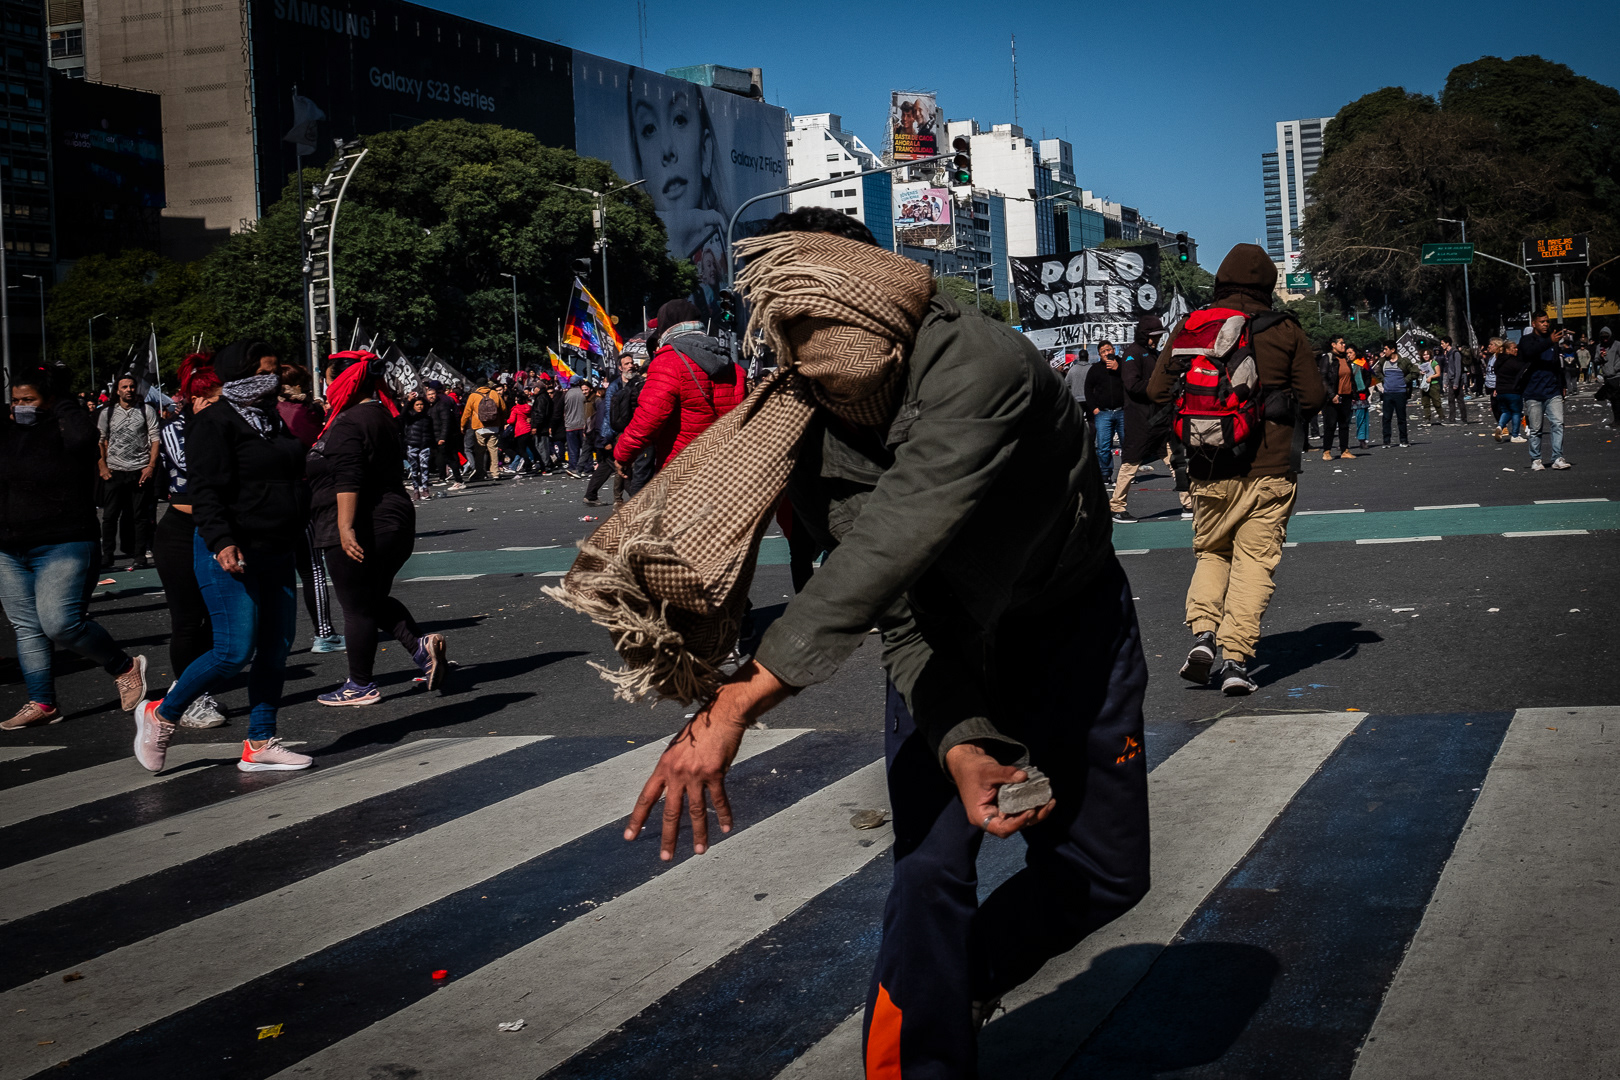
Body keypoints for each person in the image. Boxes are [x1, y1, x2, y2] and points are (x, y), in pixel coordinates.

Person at [558, 208, 1147, 1078]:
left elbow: (896, 538)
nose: (820, 349)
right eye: (793, 329)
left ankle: (962, 978)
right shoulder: (807, 424)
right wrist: (960, 739)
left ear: (883, 294)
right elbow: (901, 607)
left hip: (1071, 626)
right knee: (927, 879)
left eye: (829, 313)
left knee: (1106, 874)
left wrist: (738, 703)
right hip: (943, 645)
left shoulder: (982, 363)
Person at [1147, 244, 1324, 695]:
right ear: (1267, 286)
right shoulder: (1286, 330)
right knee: (1254, 564)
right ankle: (1235, 660)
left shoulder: (1193, 326)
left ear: (1220, 281)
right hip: (1270, 468)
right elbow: (1314, 398)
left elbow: (1155, 390)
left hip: (1207, 465)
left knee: (1212, 552)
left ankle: (1204, 633)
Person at [132, 340, 312, 774]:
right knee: (233, 651)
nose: (273, 382)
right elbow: (206, 490)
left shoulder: (271, 421)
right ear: (240, 375)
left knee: (275, 647)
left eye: (276, 374)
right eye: (264, 373)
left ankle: (260, 740)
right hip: (230, 549)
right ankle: (161, 713)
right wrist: (221, 541)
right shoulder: (213, 421)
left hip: (276, 548)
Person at [2, 367, 150, 730]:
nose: (21, 407)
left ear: (49, 401)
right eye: (15, 400)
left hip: (63, 542)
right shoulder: (6, 432)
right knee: (27, 628)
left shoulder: (67, 427)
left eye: (29, 400)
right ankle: (42, 702)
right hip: (9, 547)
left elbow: (86, 441)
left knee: (61, 624)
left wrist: (65, 402)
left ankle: (124, 666)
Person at [308, 353, 448, 706]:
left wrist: (345, 526)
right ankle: (421, 648)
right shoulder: (380, 415)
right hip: (395, 518)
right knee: (371, 601)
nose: (326, 387)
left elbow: (349, 478)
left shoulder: (349, 422)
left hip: (366, 522)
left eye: (329, 380)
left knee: (357, 607)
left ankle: (360, 684)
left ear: (345, 382)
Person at [152, 355, 228, 728]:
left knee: (217, 621)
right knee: (186, 619)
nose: (218, 406)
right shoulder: (176, 429)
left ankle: (201, 685)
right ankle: (188, 697)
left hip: (219, 531)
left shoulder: (228, 425)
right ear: (193, 399)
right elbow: (197, 465)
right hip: (180, 532)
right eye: (210, 399)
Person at [613, 298, 746, 485]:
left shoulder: (668, 362)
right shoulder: (732, 367)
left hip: (684, 468)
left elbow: (648, 418)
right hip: (728, 470)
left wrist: (623, 453)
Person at [276, 363, 342, 653]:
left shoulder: (265, 414)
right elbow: (323, 449)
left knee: (275, 572)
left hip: (268, 501)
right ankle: (324, 633)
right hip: (301, 496)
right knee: (313, 567)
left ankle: (273, 638)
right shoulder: (304, 415)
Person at [1112, 320, 1178, 523]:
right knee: (1131, 463)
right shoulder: (1133, 354)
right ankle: (1116, 506)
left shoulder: (1153, 354)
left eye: (1159, 335)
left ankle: (1190, 503)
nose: (1157, 339)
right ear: (1144, 335)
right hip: (1139, 419)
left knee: (1175, 461)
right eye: (1154, 335)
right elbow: (1132, 385)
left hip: (1158, 419)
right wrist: (1156, 386)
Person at [97, 374, 162, 571]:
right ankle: (107, 555)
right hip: (115, 471)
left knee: (140, 516)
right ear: (117, 391)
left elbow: (155, 439)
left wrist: (150, 466)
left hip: (139, 470)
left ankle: (139, 554)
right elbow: (101, 439)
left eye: (132, 386)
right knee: (109, 516)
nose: (129, 390)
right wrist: (103, 465)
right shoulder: (107, 413)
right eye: (124, 387)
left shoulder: (146, 411)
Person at [1518, 312, 1571, 471]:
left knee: (1558, 424)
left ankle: (1557, 457)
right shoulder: (1527, 340)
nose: (1546, 324)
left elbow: (1557, 365)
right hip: (1533, 392)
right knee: (1535, 428)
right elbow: (1528, 353)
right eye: (1542, 322)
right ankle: (1536, 459)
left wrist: (1562, 386)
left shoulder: (1553, 340)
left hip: (1552, 390)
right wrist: (1549, 341)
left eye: (1547, 321)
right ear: (1534, 323)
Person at [585, 352, 637, 507]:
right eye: (626, 364)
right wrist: (605, 439)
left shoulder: (634, 384)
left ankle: (591, 495)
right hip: (613, 436)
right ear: (620, 368)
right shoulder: (615, 388)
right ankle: (633, 495)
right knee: (621, 466)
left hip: (627, 433)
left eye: (631, 363)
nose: (630, 366)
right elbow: (607, 415)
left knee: (607, 466)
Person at [1084, 341, 1125, 489]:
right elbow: (1087, 388)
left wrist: (1118, 369)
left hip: (1122, 411)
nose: (1107, 353)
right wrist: (1094, 408)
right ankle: (1106, 474)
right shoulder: (1095, 369)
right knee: (1103, 446)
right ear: (1099, 355)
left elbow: (1132, 380)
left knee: (1127, 444)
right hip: (1103, 412)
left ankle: (1126, 476)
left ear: (1114, 350)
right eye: (1103, 351)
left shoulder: (1124, 364)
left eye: (1109, 350)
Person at [460, 378, 507, 481]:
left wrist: (463, 425)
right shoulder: (494, 393)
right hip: (494, 426)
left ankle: (481, 473)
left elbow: (467, 412)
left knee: (479, 451)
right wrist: (502, 421)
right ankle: (495, 473)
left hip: (479, 427)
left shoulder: (473, 396)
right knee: (493, 450)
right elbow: (503, 408)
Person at [1317, 334, 1355, 460]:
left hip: (1346, 395)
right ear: (1333, 345)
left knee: (1344, 424)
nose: (1344, 345)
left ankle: (1345, 450)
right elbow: (1323, 378)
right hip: (1332, 397)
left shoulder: (1345, 359)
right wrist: (1332, 395)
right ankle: (1326, 451)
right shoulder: (1328, 358)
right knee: (1331, 424)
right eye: (1341, 343)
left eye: (1344, 343)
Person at [1379, 344, 1418, 447]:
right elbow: (1377, 372)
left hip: (1400, 393)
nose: (1384, 351)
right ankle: (1386, 441)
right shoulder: (1383, 361)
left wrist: (1405, 381)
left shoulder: (1404, 361)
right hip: (1388, 393)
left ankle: (1403, 440)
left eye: (1386, 349)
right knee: (1386, 418)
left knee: (1401, 418)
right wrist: (1385, 381)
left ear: (1393, 350)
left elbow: (1415, 372)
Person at [424, 381, 461, 487]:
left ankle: (457, 479)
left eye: (432, 394)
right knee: (440, 456)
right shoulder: (431, 405)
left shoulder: (442, 404)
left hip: (444, 435)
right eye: (429, 394)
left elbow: (446, 421)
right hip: (437, 435)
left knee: (449, 456)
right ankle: (443, 477)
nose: (431, 396)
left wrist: (443, 437)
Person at [401, 394, 435, 498]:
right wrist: (409, 400)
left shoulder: (428, 418)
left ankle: (425, 488)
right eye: (417, 404)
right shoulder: (410, 417)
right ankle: (416, 490)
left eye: (421, 404)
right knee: (414, 469)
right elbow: (402, 414)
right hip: (412, 445)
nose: (420, 406)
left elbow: (431, 432)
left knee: (424, 468)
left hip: (424, 445)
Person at [1495, 338, 1527, 442]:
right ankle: (1515, 435)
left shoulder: (1498, 361)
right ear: (1507, 350)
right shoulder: (1513, 362)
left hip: (1500, 391)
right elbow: (1523, 372)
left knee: (1506, 411)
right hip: (1513, 390)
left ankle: (1500, 426)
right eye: (1514, 348)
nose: (1516, 350)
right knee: (1516, 412)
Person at [561, 376, 589, 477]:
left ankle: (573, 467)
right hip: (582, 424)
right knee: (586, 448)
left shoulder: (567, 394)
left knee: (573, 449)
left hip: (570, 425)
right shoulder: (583, 393)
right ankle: (587, 468)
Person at [1349, 345, 1375, 448]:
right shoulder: (1344, 364)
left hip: (1361, 393)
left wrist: (1364, 387)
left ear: (1355, 352)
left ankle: (1362, 439)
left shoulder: (1363, 363)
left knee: (1362, 418)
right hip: (1348, 394)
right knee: (1345, 419)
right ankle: (1344, 442)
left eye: (1350, 352)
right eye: (1347, 353)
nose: (1349, 355)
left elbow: (1369, 377)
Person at [1440, 336, 1470, 424]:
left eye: (1442, 343)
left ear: (1447, 343)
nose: (1441, 345)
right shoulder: (1448, 354)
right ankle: (1452, 418)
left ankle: (1463, 418)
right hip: (1451, 379)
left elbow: (1458, 369)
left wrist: (1456, 383)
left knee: (1460, 400)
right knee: (1451, 400)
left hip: (1456, 380)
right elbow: (1447, 369)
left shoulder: (1455, 353)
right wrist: (1446, 381)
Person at [1597, 327, 1620, 426]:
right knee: (1613, 399)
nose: (1605, 339)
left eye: (1607, 337)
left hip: (1617, 375)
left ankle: (1618, 420)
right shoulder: (1599, 347)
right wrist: (1600, 357)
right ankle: (1617, 419)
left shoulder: (1617, 345)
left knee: (1617, 398)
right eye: (1603, 337)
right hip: (1607, 377)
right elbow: (1596, 360)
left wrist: (1615, 368)